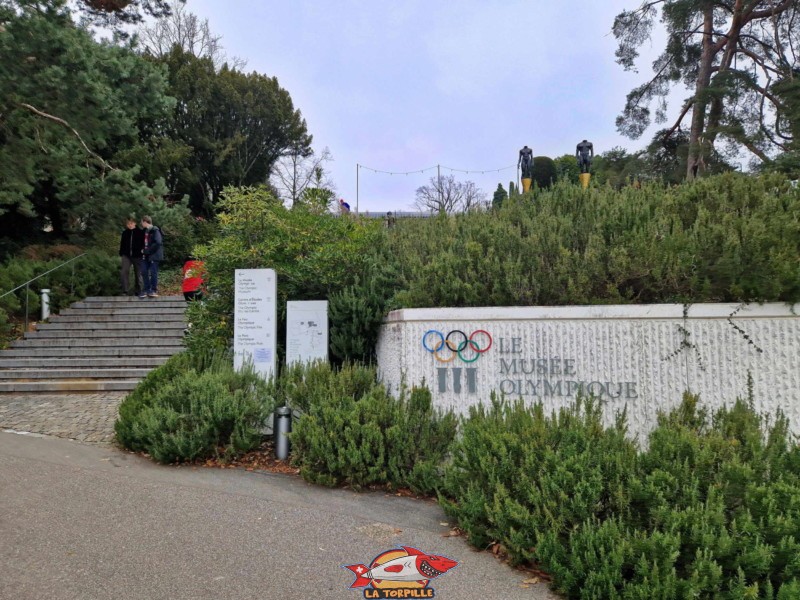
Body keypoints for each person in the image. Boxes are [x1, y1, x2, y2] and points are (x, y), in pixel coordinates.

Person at [139, 215, 163, 298]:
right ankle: (146, 289)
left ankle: (153, 290)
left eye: (142, 222)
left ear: (145, 222)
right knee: (144, 271)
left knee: (153, 272)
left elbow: (158, 242)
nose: (141, 224)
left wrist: (148, 250)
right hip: (145, 256)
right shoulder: (144, 231)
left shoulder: (155, 230)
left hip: (154, 255)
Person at [119, 216, 144, 296]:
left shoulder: (140, 232)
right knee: (124, 272)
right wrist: (121, 252)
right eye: (128, 224)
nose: (129, 225)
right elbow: (122, 244)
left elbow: (143, 244)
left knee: (138, 273)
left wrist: (142, 252)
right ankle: (125, 290)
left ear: (135, 223)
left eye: (131, 223)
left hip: (137, 256)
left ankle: (138, 290)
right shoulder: (125, 233)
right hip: (126, 255)